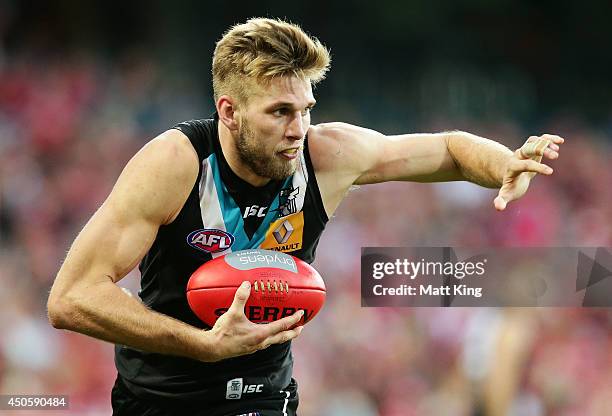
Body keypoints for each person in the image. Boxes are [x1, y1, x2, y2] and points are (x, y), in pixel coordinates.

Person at [47, 17, 564, 416]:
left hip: (264, 396)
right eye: (279, 112)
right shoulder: (174, 164)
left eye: (306, 108)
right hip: (154, 398)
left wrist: (503, 162)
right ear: (229, 112)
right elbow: (71, 297)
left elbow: (448, 150)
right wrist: (203, 347)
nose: (299, 128)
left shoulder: (326, 155)